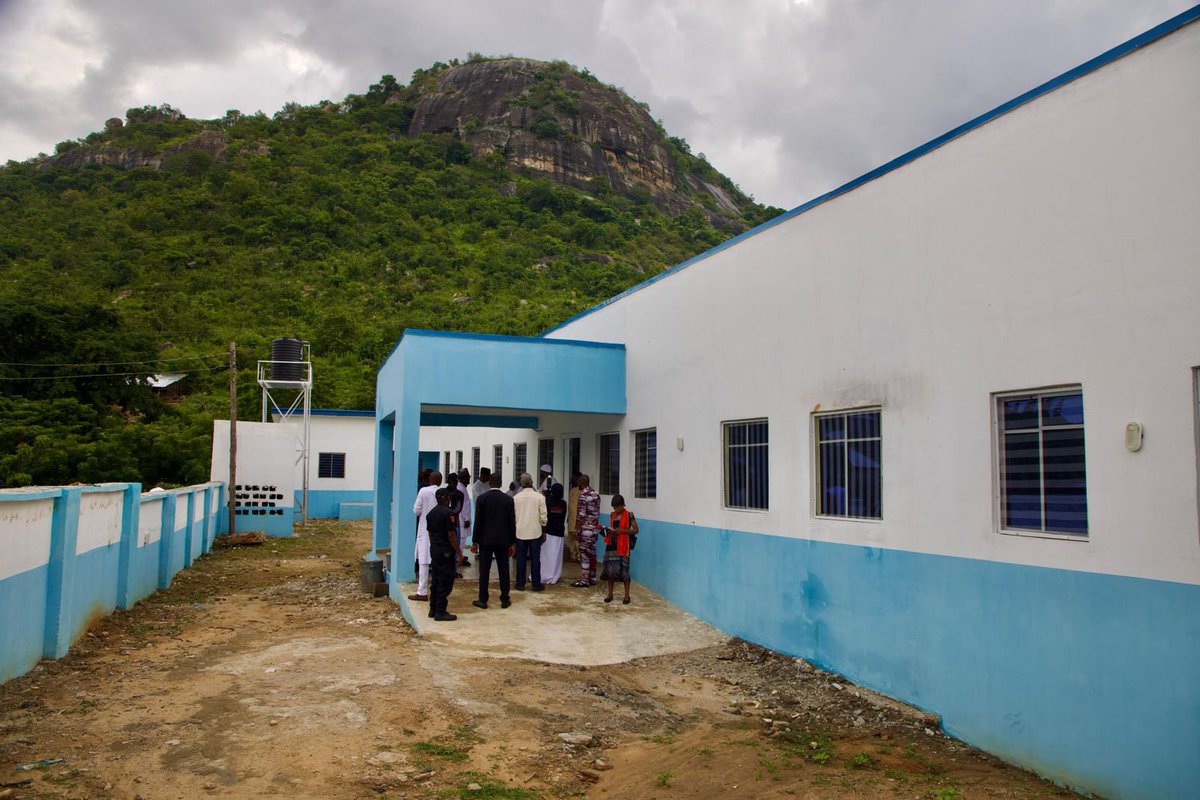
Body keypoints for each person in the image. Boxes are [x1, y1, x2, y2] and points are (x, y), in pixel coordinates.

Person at [471, 472, 516, 609]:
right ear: (501, 483)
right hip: (503, 541)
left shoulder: (482, 499)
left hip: (486, 540)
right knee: (504, 570)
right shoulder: (508, 500)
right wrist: (512, 542)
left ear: (489, 483)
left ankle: (483, 599)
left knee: (484, 571)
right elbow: (511, 522)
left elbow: (478, 521)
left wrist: (475, 541)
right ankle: (504, 599)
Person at [426, 487, 460, 621]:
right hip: (446, 552)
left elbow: (430, 534)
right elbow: (451, 535)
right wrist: (459, 552)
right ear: (446, 497)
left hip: (435, 550)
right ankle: (440, 611)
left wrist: (435, 546)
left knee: (435, 579)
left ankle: (433, 609)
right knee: (445, 580)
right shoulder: (448, 513)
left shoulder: (430, 514)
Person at [600, 494, 639, 604]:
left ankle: (627, 596)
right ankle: (610, 594)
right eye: (614, 508)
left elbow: (636, 530)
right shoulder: (612, 515)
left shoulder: (630, 515)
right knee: (610, 570)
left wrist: (623, 531)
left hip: (623, 546)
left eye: (617, 507)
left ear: (622, 505)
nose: (616, 510)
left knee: (624, 570)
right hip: (612, 545)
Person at [513, 472, 548, 591]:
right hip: (535, 533)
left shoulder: (516, 498)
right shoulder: (540, 497)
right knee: (535, 559)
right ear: (532, 483)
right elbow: (543, 517)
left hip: (520, 533)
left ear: (521, 484)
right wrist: (544, 532)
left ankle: (520, 584)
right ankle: (536, 584)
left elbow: (513, 517)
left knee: (521, 559)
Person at [410, 470, 441, 601]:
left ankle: (422, 591)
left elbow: (416, 510)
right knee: (438, 561)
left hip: (425, 529)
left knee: (423, 561)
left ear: (429, 480)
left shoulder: (423, 491)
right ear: (440, 481)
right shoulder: (442, 492)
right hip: (439, 531)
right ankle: (437, 590)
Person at [571, 473, 601, 587]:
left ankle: (584, 580)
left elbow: (581, 515)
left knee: (584, 555)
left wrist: (576, 529)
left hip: (585, 530)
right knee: (592, 554)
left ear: (581, 483)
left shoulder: (583, 496)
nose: (577, 484)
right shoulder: (596, 495)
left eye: (578, 482)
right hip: (594, 530)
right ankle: (592, 577)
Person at [540, 483, 567, 585]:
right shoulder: (563, 503)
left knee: (546, 555)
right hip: (559, 533)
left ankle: (544, 574)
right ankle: (554, 575)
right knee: (556, 556)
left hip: (548, 532)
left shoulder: (547, 501)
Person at [446, 472, 471, 571]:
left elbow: (459, 508)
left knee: (457, 542)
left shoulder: (459, 492)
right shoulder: (446, 491)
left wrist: (449, 513)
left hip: (455, 520)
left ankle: (455, 565)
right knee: (452, 542)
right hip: (452, 521)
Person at [566, 473, 581, 562]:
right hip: (571, 517)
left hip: (578, 519)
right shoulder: (572, 491)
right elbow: (570, 505)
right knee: (571, 537)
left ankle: (579, 555)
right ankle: (573, 554)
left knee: (577, 538)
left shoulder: (581, 492)